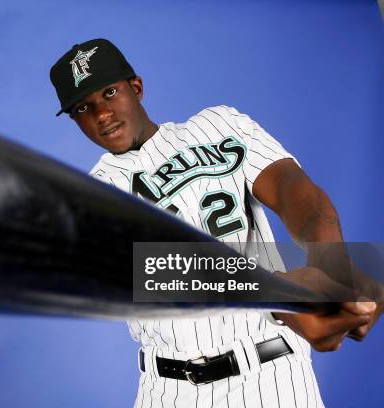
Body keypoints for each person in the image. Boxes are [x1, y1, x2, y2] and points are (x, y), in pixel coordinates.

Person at [49, 38, 381, 407]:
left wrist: (332, 272)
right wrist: (279, 292)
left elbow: (292, 190)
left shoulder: (218, 126)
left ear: (137, 88)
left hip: (275, 378)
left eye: (109, 92)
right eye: (83, 108)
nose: (102, 114)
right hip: (171, 388)